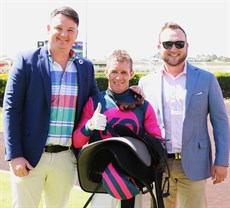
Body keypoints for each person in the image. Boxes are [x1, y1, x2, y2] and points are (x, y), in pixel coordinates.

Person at [3, 6, 99, 208]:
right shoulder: (26, 60)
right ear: (48, 28)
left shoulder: (86, 67)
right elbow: (11, 109)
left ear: (76, 34)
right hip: (29, 158)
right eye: (59, 28)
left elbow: (96, 105)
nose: (64, 35)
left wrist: (130, 92)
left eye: (70, 30)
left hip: (66, 158)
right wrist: (15, 154)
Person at [138, 22, 230, 208]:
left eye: (179, 44)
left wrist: (222, 161)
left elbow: (220, 122)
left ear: (187, 46)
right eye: (167, 44)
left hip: (195, 162)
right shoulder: (146, 83)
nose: (174, 49)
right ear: (159, 47)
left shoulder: (206, 79)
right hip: (159, 164)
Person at [73, 49, 162, 208]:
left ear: (132, 74)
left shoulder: (143, 106)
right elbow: (77, 141)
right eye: (114, 71)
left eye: (124, 72)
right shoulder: (94, 102)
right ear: (106, 72)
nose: (119, 77)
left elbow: (157, 142)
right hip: (101, 179)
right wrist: (89, 126)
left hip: (132, 179)